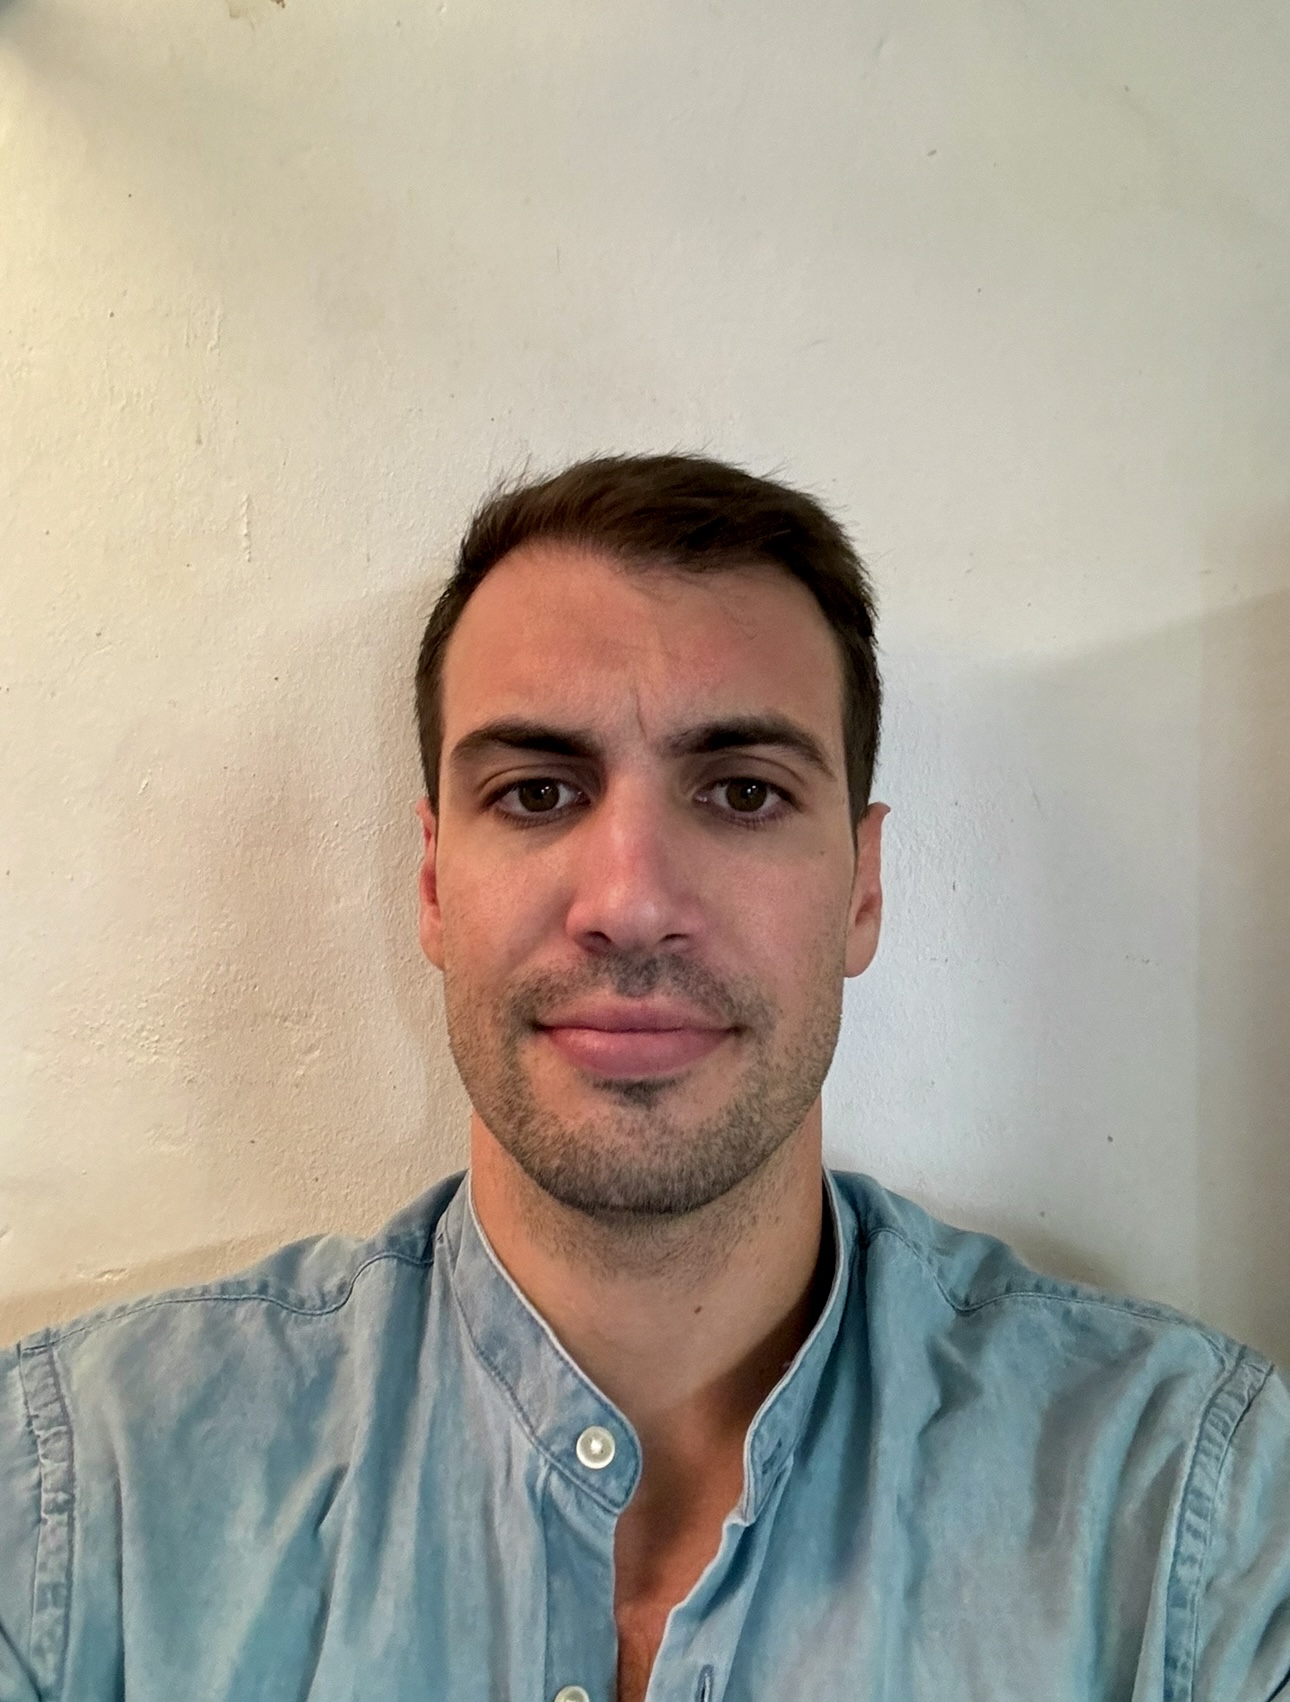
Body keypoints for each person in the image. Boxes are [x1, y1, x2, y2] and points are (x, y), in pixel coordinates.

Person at [1, 454, 1288, 1702]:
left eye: (743, 793)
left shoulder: (1194, 1512)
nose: (629, 902)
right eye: (537, 791)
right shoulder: (79, 1504)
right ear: (435, 882)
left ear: (863, 889)